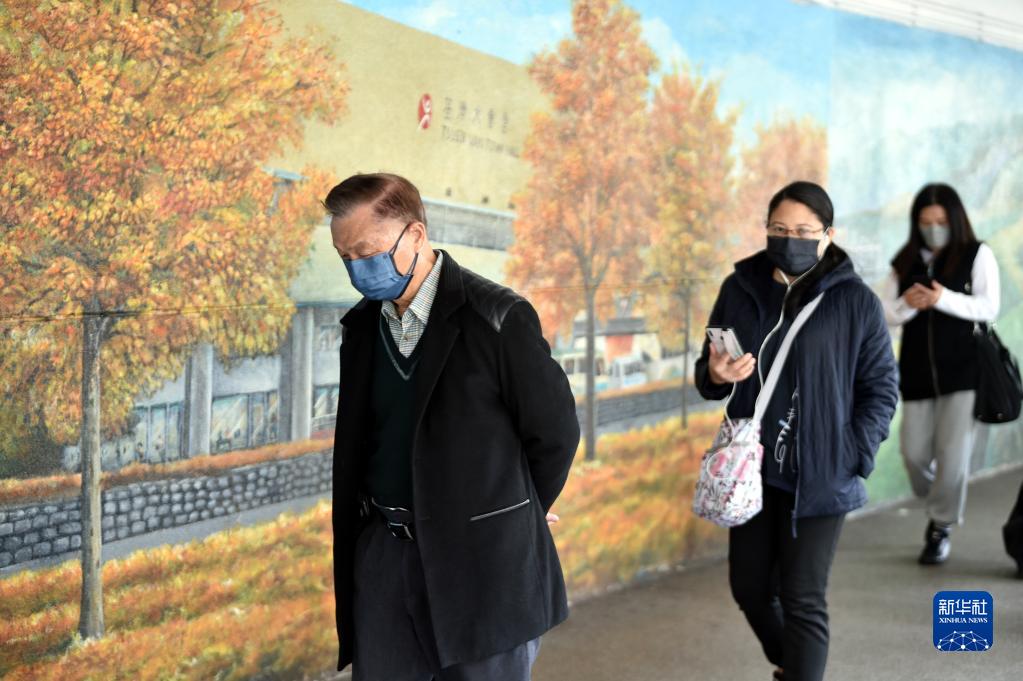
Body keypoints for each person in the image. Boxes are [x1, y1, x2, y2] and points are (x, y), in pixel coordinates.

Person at [326, 173, 580, 681]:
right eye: (345, 256)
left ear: (416, 235)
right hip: (386, 555)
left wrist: (518, 510)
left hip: (482, 562)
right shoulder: (363, 328)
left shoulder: (497, 319)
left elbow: (555, 433)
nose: (357, 269)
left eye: (367, 252)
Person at [695, 181, 898, 681]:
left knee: (802, 598)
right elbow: (708, 374)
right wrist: (717, 374)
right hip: (753, 469)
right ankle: (794, 666)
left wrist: (855, 452)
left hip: (823, 472)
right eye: (780, 229)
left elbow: (881, 388)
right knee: (749, 589)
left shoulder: (854, 301)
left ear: (829, 234)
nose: (791, 240)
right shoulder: (740, 288)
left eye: (805, 231)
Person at [881, 183, 1000, 565]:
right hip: (916, 373)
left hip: (963, 372)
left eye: (941, 221)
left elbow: (989, 307)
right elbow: (884, 315)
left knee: (953, 455)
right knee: (913, 454)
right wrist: (907, 304)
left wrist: (941, 299)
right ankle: (942, 497)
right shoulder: (904, 262)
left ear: (955, 220)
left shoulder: (977, 254)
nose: (934, 228)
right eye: (926, 222)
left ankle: (940, 526)